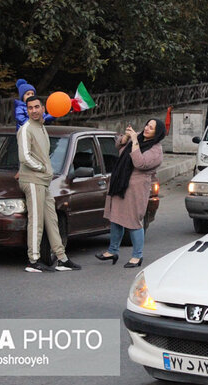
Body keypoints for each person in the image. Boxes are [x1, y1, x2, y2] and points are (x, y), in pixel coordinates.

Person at [17, 96, 81, 273]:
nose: (34, 110)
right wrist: (42, 169)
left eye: (37, 107)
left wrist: (45, 171)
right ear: (27, 110)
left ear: (43, 108)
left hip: (42, 182)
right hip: (31, 180)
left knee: (52, 219)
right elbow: (24, 157)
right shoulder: (26, 129)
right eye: (30, 108)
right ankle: (33, 260)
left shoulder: (41, 127)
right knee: (36, 220)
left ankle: (61, 258)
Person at [96, 118, 165, 268]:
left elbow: (139, 162)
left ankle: (137, 256)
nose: (146, 128)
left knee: (133, 221)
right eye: (147, 124)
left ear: (157, 132)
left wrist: (134, 141)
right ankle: (113, 250)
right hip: (120, 181)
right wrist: (127, 137)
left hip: (136, 188)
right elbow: (118, 146)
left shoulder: (155, 150)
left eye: (151, 128)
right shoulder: (138, 137)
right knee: (115, 217)